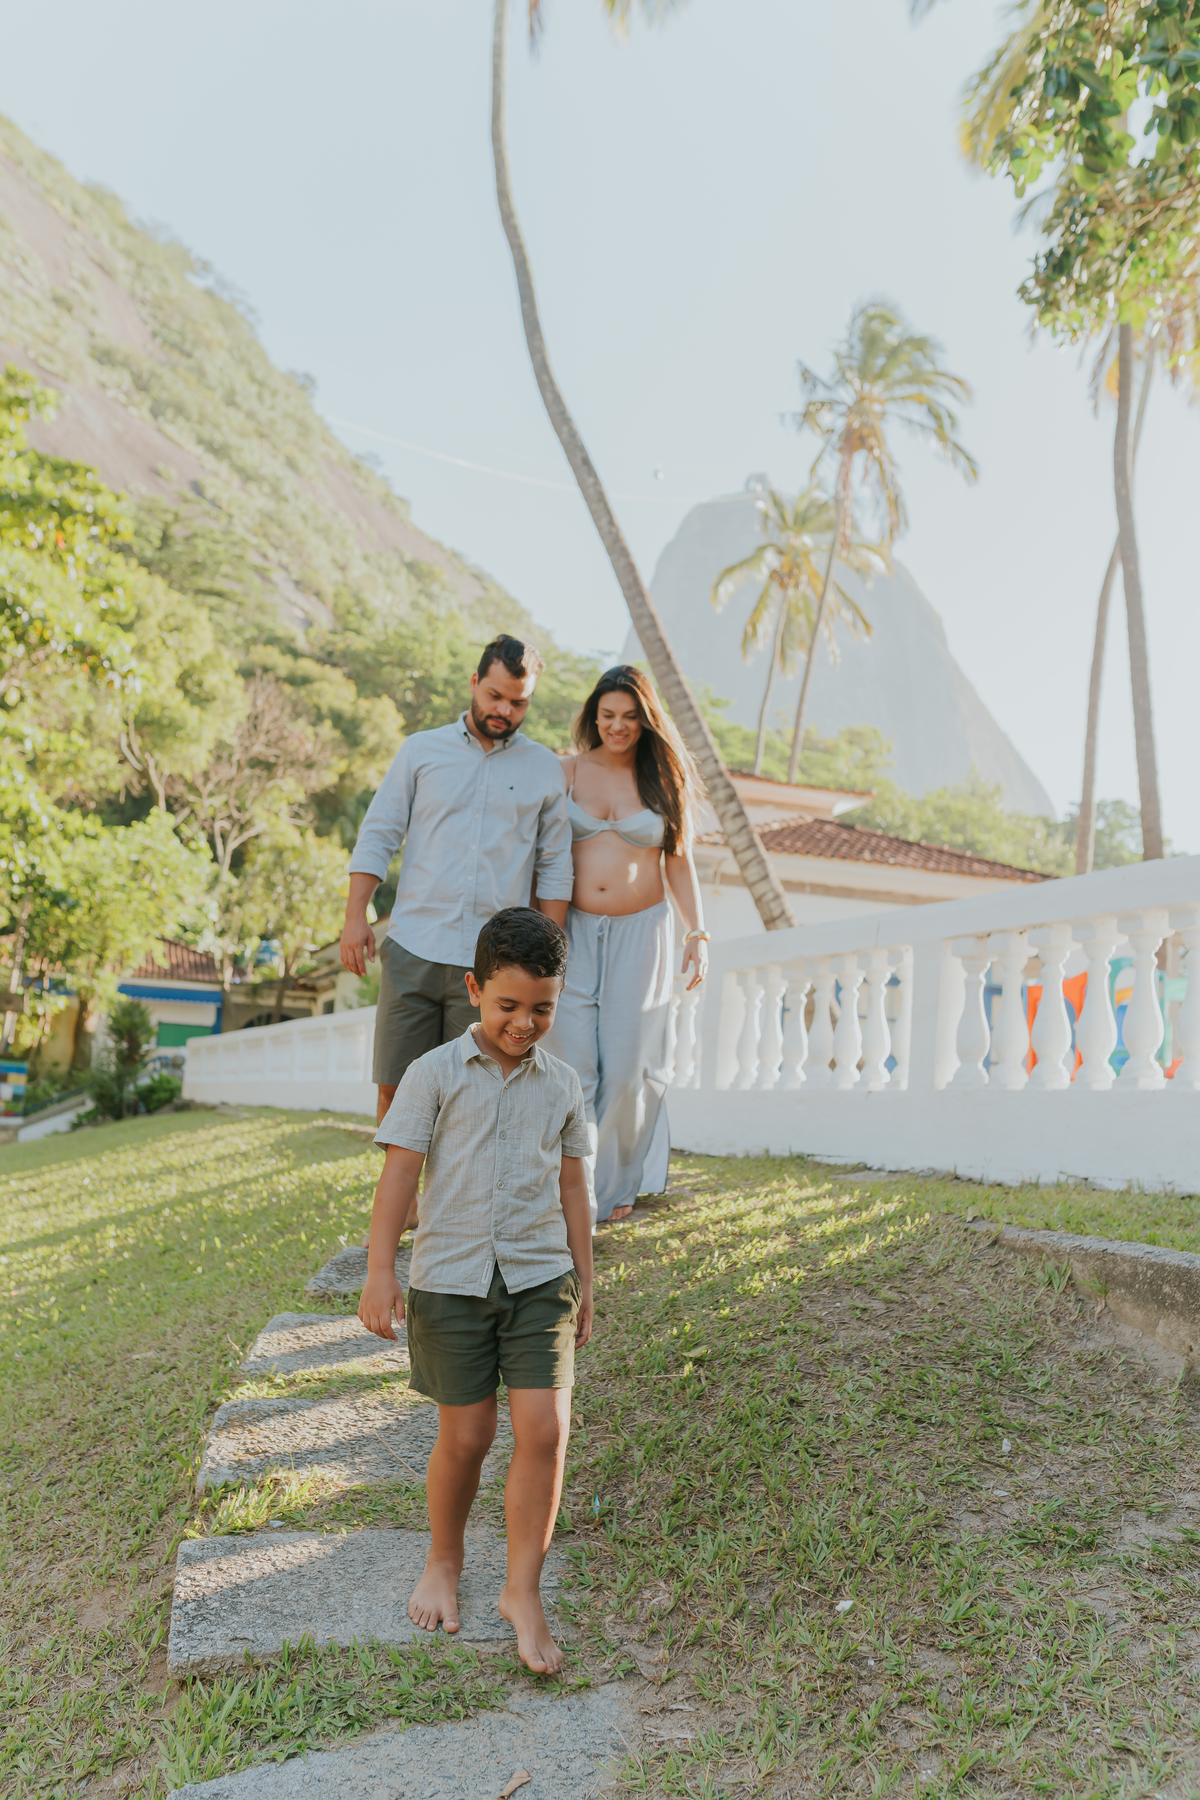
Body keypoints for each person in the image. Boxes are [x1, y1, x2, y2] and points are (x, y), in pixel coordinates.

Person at [358, 908, 593, 1676]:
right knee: (467, 1437)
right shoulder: (430, 1075)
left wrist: (585, 1283)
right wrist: (380, 1269)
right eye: (509, 1006)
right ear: (473, 990)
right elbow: (398, 1173)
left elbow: (573, 1186)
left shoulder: (563, 1085)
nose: (526, 1023)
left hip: (538, 1278)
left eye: (543, 1008)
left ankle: (522, 1591)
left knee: (545, 1432)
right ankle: (445, 1561)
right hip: (451, 1281)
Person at [340, 635, 574, 1124]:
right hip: (414, 948)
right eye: (495, 695)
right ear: (474, 682)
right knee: (395, 1096)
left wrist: (550, 959)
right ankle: (403, 1206)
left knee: (472, 1105)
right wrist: (354, 915)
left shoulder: (544, 770)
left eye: (519, 702)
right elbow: (379, 832)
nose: (504, 710)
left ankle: (450, 1204)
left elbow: (554, 865)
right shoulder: (420, 751)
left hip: (494, 968)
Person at [545, 665, 708, 1225]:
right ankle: (580, 1195)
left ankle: (616, 1185)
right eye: (608, 715)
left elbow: (680, 862)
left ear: (646, 720)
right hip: (572, 935)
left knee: (626, 1072)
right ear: (594, 715)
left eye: (630, 717)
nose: (617, 726)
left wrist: (697, 931)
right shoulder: (565, 771)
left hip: (643, 935)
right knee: (574, 1073)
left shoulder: (663, 778)